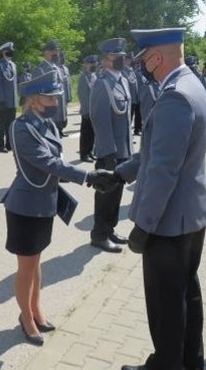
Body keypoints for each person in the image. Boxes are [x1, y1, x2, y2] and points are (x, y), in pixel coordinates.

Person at [114, 27, 206, 370]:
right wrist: (120, 173)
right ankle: (188, 361)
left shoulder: (174, 96)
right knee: (186, 295)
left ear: (156, 56)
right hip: (191, 216)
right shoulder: (191, 85)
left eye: (145, 60)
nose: (145, 67)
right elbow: (158, 153)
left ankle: (167, 365)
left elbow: (163, 171)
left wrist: (144, 226)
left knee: (165, 306)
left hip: (168, 224)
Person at [2, 70, 116, 346]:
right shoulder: (21, 127)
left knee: (37, 261)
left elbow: (57, 161)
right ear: (33, 100)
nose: (55, 101)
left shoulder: (47, 124)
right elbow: (48, 163)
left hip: (44, 203)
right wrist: (88, 177)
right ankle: (25, 317)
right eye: (50, 97)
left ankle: (37, 308)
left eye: (55, 96)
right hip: (26, 206)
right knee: (26, 267)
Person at [89, 38, 133, 253]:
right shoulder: (102, 83)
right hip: (110, 152)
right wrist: (108, 153)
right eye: (115, 56)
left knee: (117, 193)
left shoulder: (122, 80)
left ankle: (110, 229)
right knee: (106, 193)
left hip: (123, 149)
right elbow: (99, 118)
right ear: (105, 60)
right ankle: (98, 234)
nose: (120, 59)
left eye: (122, 56)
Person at [32, 40, 69, 137]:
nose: (57, 53)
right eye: (54, 51)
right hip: (47, 107)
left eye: (57, 51)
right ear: (47, 53)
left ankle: (58, 132)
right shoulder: (40, 69)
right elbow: (36, 93)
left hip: (57, 104)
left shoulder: (57, 67)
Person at [0, 41, 18, 153]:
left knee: (11, 123)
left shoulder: (13, 65)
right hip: (4, 100)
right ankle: (0, 144)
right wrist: (1, 99)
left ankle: (9, 143)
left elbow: (14, 83)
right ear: (4, 52)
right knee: (2, 124)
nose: (11, 52)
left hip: (12, 100)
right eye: (9, 51)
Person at [77, 55, 98, 162]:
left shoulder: (94, 76)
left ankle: (90, 152)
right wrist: (85, 111)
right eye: (91, 63)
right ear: (86, 65)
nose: (94, 65)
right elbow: (83, 96)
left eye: (95, 63)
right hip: (87, 111)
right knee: (85, 134)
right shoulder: (83, 77)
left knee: (92, 133)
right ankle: (84, 154)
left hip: (94, 110)